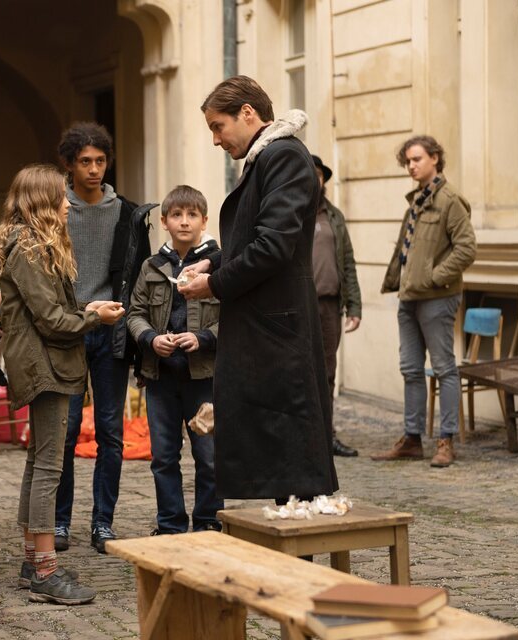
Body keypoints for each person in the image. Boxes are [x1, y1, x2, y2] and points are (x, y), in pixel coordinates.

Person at [179, 75, 338, 502]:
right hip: (265, 325)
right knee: (277, 456)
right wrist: (212, 260)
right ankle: (281, 552)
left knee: (292, 459)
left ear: (247, 113)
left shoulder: (283, 156)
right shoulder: (267, 158)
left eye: (218, 126)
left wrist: (213, 283)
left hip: (277, 328)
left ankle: (296, 562)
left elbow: (273, 247)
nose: (215, 139)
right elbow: (254, 237)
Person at [0, 164, 124, 604]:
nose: (68, 204)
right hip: (44, 363)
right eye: (61, 197)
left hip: (41, 360)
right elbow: (51, 320)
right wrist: (93, 318)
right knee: (49, 466)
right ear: (43, 201)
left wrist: (89, 305)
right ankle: (45, 571)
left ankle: (33, 562)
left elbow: (48, 306)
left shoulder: (28, 243)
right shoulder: (29, 246)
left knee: (37, 462)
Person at [53, 122, 154, 553]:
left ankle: (102, 523)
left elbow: (143, 277)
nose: (94, 170)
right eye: (85, 162)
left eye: (100, 161)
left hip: (112, 334)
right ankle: (58, 524)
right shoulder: (56, 213)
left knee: (111, 431)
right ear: (70, 166)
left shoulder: (129, 215)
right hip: (70, 331)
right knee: (67, 428)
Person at [372, 136, 476, 468]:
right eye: (407, 161)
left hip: (438, 297)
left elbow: (466, 248)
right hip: (409, 297)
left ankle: (446, 440)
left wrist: (434, 276)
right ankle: (412, 438)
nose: (411, 166)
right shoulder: (417, 200)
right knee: (410, 369)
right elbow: (405, 249)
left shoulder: (449, 200)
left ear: (435, 158)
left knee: (444, 368)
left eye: (416, 159)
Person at [127, 185, 223, 534]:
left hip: (205, 377)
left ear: (204, 220)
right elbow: (135, 313)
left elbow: (230, 316)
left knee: (209, 456)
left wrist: (203, 337)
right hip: (160, 377)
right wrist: (151, 339)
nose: (185, 222)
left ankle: (210, 520)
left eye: (192, 215)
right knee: (163, 456)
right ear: (165, 221)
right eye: (177, 216)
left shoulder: (218, 265)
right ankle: (170, 523)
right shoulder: (151, 267)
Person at [310, 155, 362, 457]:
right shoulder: (291, 214)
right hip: (298, 307)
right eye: (308, 174)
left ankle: (327, 437)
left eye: (318, 174)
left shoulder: (334, 217)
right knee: (301, 374)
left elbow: (348, 263)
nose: (313, 180)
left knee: (328, 373)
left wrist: (354, 305)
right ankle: (305, 439)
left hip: (330, 307)